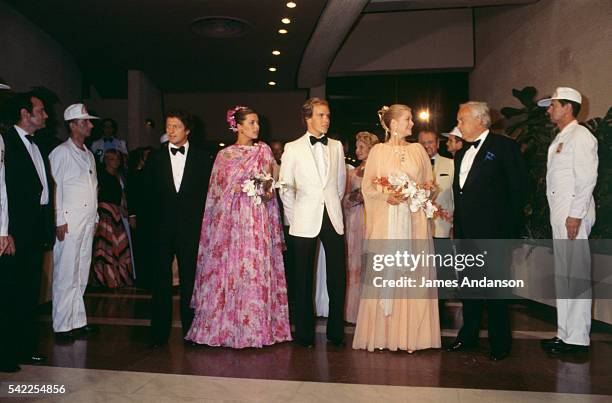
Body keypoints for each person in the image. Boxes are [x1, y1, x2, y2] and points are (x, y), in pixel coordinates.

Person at [186, 106, 291, 348]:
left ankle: (260, 329)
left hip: (258, 222)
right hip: (234, 225)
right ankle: (229, 328)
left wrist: (263, 190)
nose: (257, 127)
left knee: (256, 269)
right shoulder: (226, 156)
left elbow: (271, 185)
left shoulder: (264, 151)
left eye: (257, 122)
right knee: (235, 270)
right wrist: (236, 191)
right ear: (238, 126)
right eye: (252, 123)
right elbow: (216, 194)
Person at [352, 104, 441, 352]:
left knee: (413, 276)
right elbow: (368, 188)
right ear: (393, 124)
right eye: (408, 120)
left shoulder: (418, 151)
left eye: (411, 119)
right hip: (386, 224)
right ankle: (383, 335)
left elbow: (430, 185)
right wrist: (386, 196)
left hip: (413, 225)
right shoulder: (378, 152)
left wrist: (417, 193)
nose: (412, 124)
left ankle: (413, 336)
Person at [446, 101, 527, 361]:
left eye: (461, 120)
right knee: (469, 289)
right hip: (467, 233)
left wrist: (511, 234)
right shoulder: (460, 153)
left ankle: (500, 343)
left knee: (495, 292)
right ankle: (467, 337)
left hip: (495, 234)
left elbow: (519, 192)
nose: (458, 125)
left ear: (479, 120)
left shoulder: (505, 147)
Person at [279, 97, 346, 347]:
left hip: (332, 217)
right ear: (308, 118)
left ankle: (336, 333)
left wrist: (332, 207)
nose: (326, 120)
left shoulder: (337, 146)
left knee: (337, 277)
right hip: (303, 220)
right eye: (321, 115)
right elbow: (285, 188)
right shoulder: (293, 148)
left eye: (327, 115)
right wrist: (295, 220)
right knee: (302, 278)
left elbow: (339, 184)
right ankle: (304, 334)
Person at [537, 87, 597, 355]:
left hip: (573, 215)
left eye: (553, 105)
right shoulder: (563, 137)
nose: (549, 110)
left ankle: (578, 340)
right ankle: (565, 334)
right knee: (565, 276)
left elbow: (586, 179)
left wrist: (575, 215)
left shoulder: (581, 136)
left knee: (576, 276)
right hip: (561, 215)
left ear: (568, 107)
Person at [146, 110, 211, 347]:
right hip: (162, 230)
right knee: (160, 281)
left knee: (190, 281)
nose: (170, 131)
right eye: (168, 126)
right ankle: (158, 334)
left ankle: (191, 332)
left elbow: (208, 197)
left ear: (187, 130)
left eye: (175, 126)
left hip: (191, 229)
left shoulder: (203, 159)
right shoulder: (155, 157)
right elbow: (147, 196)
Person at [0, 91, 55, 372]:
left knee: (29, 291)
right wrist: (4, 230)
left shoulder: (38, 145)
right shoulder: (6, 142)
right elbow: (4, 191)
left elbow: (44, 191)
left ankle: (23, 347)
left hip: (34, 230)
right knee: (10, 292)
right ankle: (5, 352)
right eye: (41, 110)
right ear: (25, 114)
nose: (45, 115)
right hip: (15, 230)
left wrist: (46, 228)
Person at [49, 103, 100, 341]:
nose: (90, 125)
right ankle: (61, 326)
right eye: (85, 122)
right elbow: (55, 187)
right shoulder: (61, 153)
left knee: (81, 272)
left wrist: (96, 215)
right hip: (69, 222)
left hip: (87, 221)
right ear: (73, 125)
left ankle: (77, 321)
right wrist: (58, 219)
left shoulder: (88, 153)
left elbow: (93, 188)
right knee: (66, 273)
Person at [343, 131, 378, 324]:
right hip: (355, 222)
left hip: (373, 220)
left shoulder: (379, 173)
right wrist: (355, 197)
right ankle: (354, 312)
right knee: (354, 265)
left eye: (361, 147)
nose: (357, 151)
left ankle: (372, 313)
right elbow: (344, 200)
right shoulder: (352, 173)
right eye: (356, 147)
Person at [91, 149, 133, 288]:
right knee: (105, 248)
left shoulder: (118, 177)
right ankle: (104, 278)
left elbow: (121, 196)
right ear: (107, 160)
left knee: (119, 245)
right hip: (104, 213)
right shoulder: (101, 175)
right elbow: (95, 194)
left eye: (118, 159)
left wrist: (123, 208)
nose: (116, 162)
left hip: (116, 213)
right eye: (113, 159)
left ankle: (118, 278)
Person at [418, 130, 454, 239]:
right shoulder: (413, 167)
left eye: (430, 142)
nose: (426, 146)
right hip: (418, 228)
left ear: (438, 144)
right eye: (423, 143)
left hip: (443, 226)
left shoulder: (451, 164)